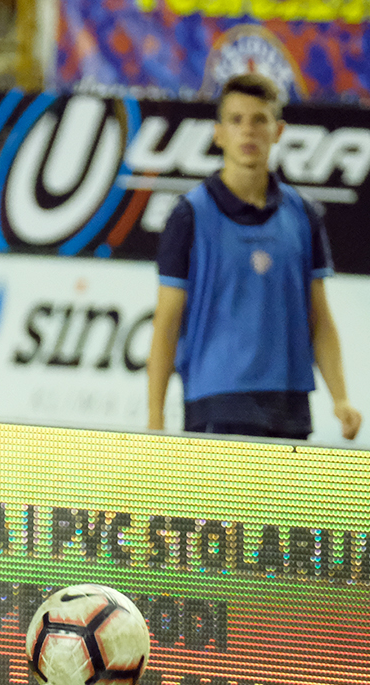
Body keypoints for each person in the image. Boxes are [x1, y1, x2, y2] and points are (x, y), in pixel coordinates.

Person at [147, 72, 360, 442]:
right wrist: (154, 419)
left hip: (289, 405)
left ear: (278, 131)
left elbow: (319, 318)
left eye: (259, 119)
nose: (248, 130)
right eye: (236, 119)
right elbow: (166, 324)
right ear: (218, 133)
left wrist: (340, 398)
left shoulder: (303, 214)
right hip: (216, 402)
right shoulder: (189, 216)